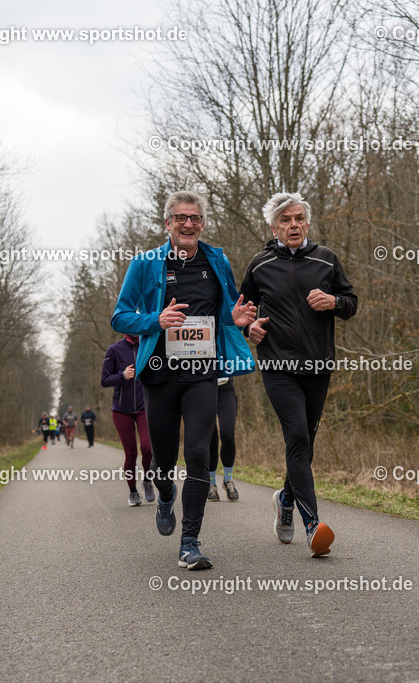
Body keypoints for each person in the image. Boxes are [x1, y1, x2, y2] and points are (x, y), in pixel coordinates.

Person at [111, 190, 257, 570]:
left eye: (194, 218)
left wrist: (235, 319)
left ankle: (189, 542)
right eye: (180, 218)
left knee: (197, 452)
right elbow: (120, 317)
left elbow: (225, 311)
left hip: (203, 374)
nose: (188, 224)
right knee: (162, 459)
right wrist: (154, 320)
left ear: (203, 223)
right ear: (168, 224)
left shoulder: (217, 260)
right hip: (159, 375)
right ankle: (163, 492)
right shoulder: (145, 263)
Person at [239, 191, 357, 558]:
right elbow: (242, 312)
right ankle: (313, 526)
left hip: (318, 365)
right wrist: (249, 330)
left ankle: (285, 499)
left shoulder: (326, 260)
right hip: (277, 366)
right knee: (296, 437)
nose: (293, 225)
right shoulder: (259, 265)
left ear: (307, 223)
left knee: (305, 443)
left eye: (298, 219)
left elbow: (351, 303)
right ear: (274, 227)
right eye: (285, 220)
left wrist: (334, 302)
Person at [101, 335, 156, 506]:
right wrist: (122, 375)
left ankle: (147, 480)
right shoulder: (114, 350)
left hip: (144, 407)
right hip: (121, 410)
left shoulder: (148, 346)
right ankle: (133, 492)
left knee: (148, 448)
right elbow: (104, 380)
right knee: (130, 454)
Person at [207, 377, 238, 501]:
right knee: (211, 438)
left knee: (228, 434)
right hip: (204, 387)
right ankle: (211, 484)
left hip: (226, 388)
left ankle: (228, 480)